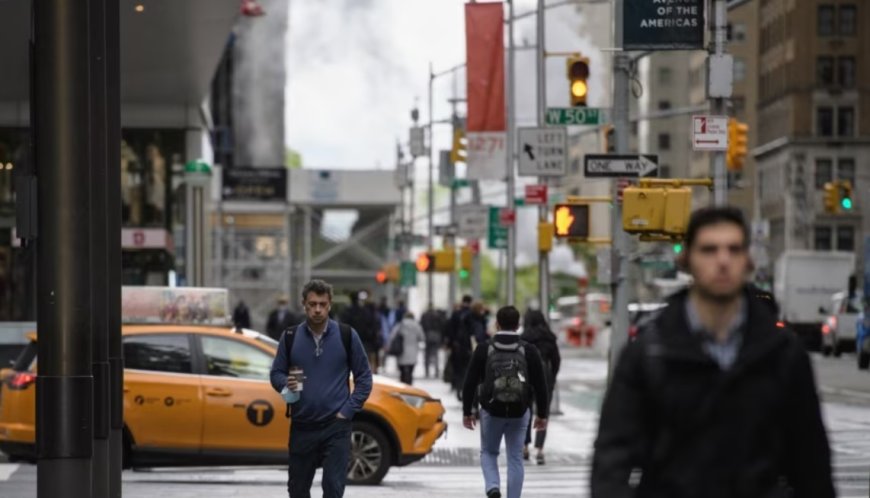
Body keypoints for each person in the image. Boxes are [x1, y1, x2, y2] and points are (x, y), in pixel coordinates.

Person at [591, 207, 835, 498]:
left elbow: (812, 465)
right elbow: (612, 459)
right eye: (709, 250)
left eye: (734, 249)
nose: (722, 261)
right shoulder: (651, 352)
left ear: (748, 260)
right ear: (687, 260)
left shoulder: (783, 353)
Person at [269, 279, 373, 498]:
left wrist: (347, 411)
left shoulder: (346, 335)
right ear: (304, 305)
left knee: (333, 489)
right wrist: (284, 383)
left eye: (322, 304)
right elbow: (276, 372)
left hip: (336, 427)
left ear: (330, 305)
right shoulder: (290, 337)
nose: (317, 309)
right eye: (313, 304)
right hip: (302, 425)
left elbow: (364, 377)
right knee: (297, 490)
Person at [462, 306, 550, 498]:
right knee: (515, 457)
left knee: (488, 452)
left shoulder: (484, 348)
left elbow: (469, 382)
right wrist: (542, 414)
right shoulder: (529, 350)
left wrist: (467, 411)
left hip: (491, 411)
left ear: (497, 324)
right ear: (517, 325)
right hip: (520, 411)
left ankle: (493, 487)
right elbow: (541, 385)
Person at [520, 309, 561, 465]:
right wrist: (552, 377)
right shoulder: (549, 337)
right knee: (543, 413)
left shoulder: (524, 338)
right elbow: (556, 360)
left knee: (526, 411)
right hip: (545, 376)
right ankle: (539, 449)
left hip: (527, 376)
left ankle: (524, 446)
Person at [340, 291, 381, 372]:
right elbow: (372, 325)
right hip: (365, 339)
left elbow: (343, 324)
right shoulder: (365, 311)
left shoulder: (347, 311)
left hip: (351, 338)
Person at [445, 295, 474, 395]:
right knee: (467, 366)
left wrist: (450, 344)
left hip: (456, 345)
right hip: (468, 345)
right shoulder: (472, 314)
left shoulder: (456, 313)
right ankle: (464, 385)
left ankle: (456, 385)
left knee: (457, 366)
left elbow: (450, 329)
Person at [388, 311, 426, 385]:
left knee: (402, 371)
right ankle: (409, 384)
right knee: (410, 370)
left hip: (401, 350)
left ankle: (403, 384)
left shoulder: (400, 324)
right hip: (413, 350)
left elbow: (392, 336)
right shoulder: (417, 325)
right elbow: (422, 337)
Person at [420, 306, 447, 378]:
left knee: (427, 354)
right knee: (435, 354)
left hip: (428, 335)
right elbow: (442, 326)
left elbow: (422, 325)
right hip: (437, 336)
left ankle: (427, 371)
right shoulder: (438, 316)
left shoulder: (425, 315)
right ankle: (436, 371)